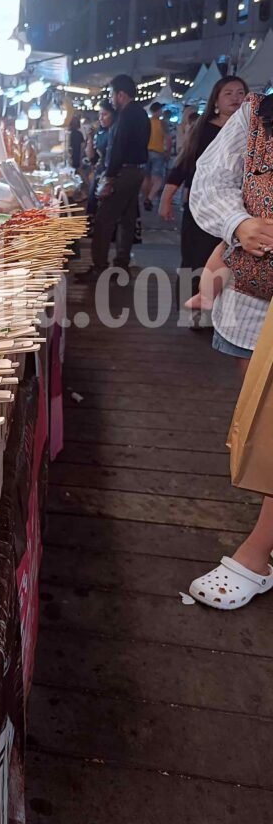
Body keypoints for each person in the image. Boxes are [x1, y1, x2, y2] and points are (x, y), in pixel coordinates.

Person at [187, 90, 273, 609]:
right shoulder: (260, 113)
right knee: (262, 414)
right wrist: (239, 225)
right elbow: (212, 179)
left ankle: (258, 552)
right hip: (259, 294)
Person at [159, 77, 248, 297]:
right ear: (215, 100)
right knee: (196, 255)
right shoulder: (203, 129)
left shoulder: (253, 131)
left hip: (239, 208)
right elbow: (183, 164)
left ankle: (216, 306)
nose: (235, 98)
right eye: (228, 93)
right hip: (202, 204)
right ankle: (192, 305)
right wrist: (166, 198)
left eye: (240, 93)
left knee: (228, 258)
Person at [76, 74, 150, 281]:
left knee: (103, 220)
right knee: (126, 219)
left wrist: (108, 178)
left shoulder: (125, 115)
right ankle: (121, 265)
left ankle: (99, 267)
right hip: (136, 171)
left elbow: (117, 148)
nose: (110, 99)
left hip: (122, 172)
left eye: (111, 94)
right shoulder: (141, 114)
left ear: (121, 95)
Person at [86, 100, 115, 219]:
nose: (101, 118)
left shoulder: (115, 132)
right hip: (99, 172)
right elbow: (91, 156)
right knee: (92, 201)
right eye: (100, 115)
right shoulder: (100, 133)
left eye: (105, 114)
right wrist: (90, 137)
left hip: (110, 174)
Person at [141, 102, 168, 211]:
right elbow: (168, 139)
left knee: (146, 178)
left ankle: (146, 198)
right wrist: (167, 151)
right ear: (157, 110)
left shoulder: (146, 122)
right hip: (158, 152)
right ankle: (150, 198)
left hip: (146, 151)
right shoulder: (162, 123)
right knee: (157, 179)